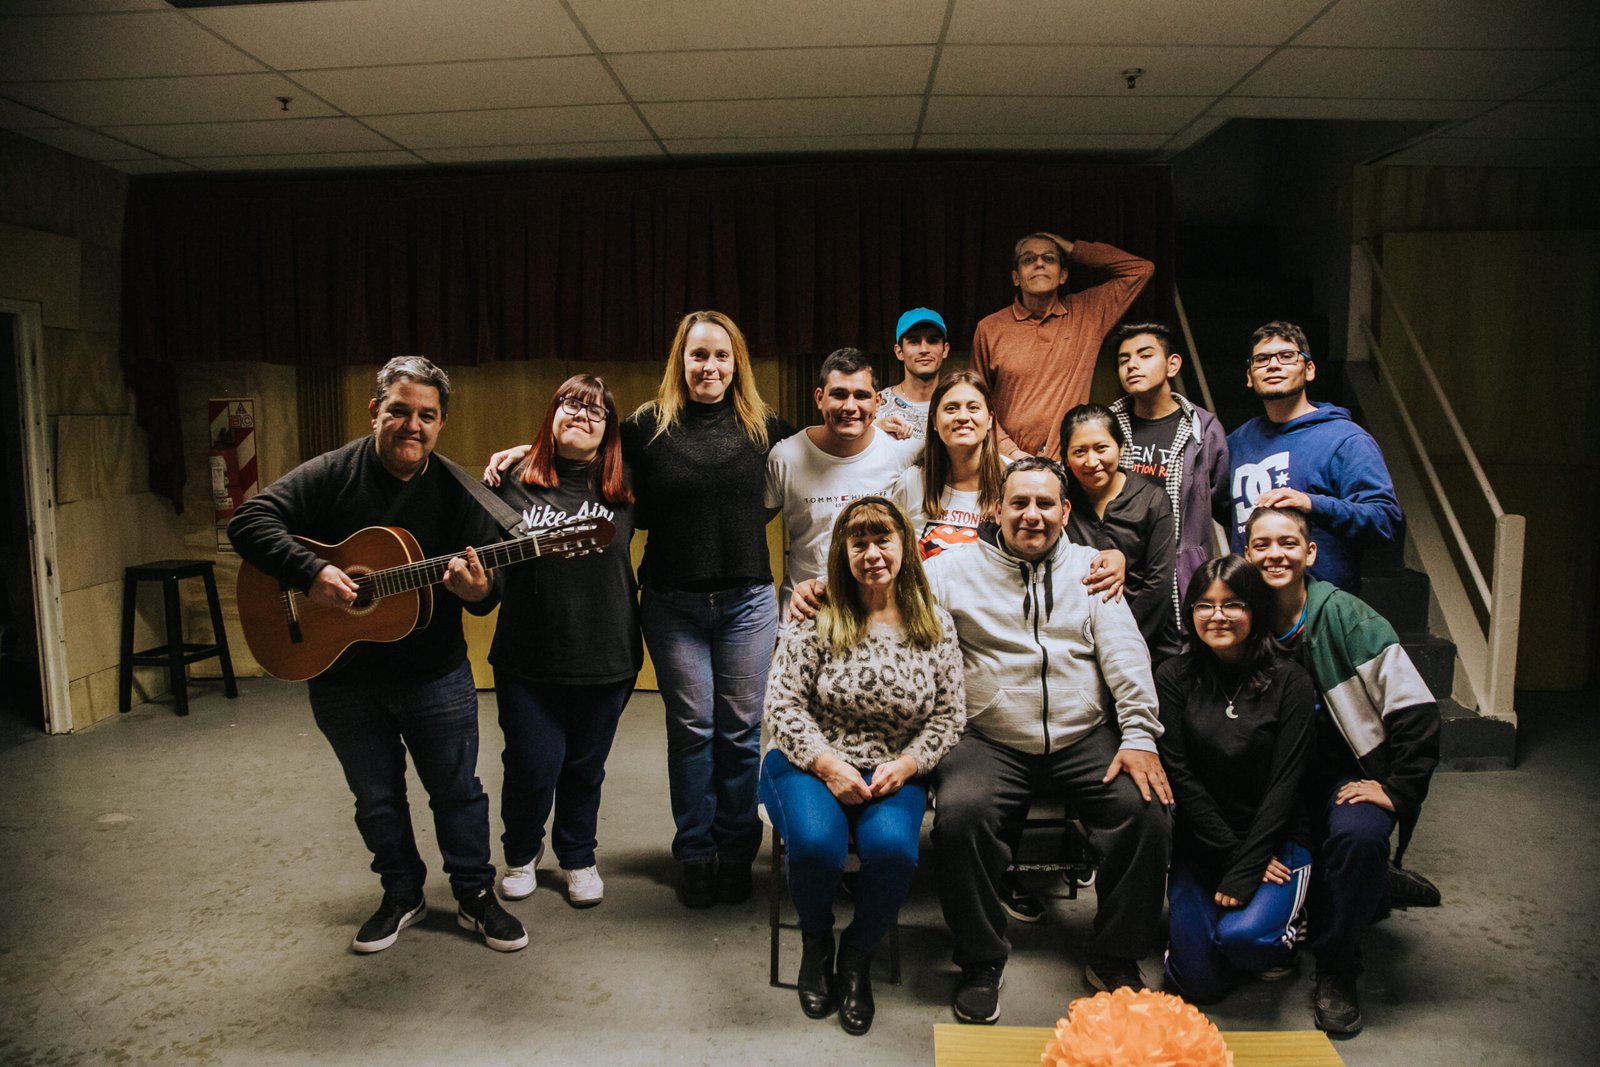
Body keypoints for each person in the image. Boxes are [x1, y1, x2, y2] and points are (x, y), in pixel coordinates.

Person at [484, 313, 795, 910]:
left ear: (738, 364)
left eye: (722, 357)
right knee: (694, 730)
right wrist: (525, 452)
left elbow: (827, 450)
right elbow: (580, 449)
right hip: (672, 603)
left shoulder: (765, 427)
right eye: (698, 355)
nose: (710, 367)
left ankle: (736, 852)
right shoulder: (648, 427)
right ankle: (696, 854)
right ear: (681, 359)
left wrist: (892, 430)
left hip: (747, 604)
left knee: (738, 733)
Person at [228, 356, 527, 954]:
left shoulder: (457, 487)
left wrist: (480, 590)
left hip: (433, 676)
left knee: (457, 792)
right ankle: (401, 893)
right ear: (375, 412)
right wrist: (310, 571)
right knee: (376, 797)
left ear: (440, 423)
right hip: (340, 676)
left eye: (427, 416)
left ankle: (474, 894)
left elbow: (486, 589)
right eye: (399, 411)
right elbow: (250, 519)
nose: (412, 425)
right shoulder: (333, 473)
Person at [925, 458, 1172, 1024]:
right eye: (1019, 503)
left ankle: (1113, 957)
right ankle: (981, 959)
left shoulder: (1094, 569)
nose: (1031, 515)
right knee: (961, 817)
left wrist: (1138, 735)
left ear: (1065, 511)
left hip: (1082, 735)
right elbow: (918, 648)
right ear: (997, 508)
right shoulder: (949, 572)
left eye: (1044, 505)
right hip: (989, 737)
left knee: (1148, 811)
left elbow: (1126, 655)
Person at [760, 497, 965, 1036]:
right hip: (808, 762)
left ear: (905, 547)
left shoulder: (933, 623)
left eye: (883, 541)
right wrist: (827, 765)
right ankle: (816, 943)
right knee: (815, 845)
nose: (872, 554)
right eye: (859, 544)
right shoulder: (818, 615)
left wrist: (912, 762)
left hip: (892, 769)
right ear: (842, 552)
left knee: (894, 850)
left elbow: (949, 713)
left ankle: (856, 955)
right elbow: (782, 706)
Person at [1242, 506, 1441, 1035]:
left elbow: (1417, 714)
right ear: (1246, 554)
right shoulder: (1241, 619)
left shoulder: (1349, 619)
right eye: (1261, 544)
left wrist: (1396, 790)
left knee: (1356, 839)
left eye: (1287, 543)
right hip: (1274, 784)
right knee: (1260, 926)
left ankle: (1338, 969)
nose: (1274, 554)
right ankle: (1376, 888)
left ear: (1310, 554)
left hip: (1343, 779)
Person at [489, 375, 640, 910]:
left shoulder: (626, 482)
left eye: (597, 410)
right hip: (527, 656)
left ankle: (578, 857)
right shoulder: (508, 480)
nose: (583, 414)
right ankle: (521, 854)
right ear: (551, 413)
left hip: (608, 654)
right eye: (572, 403)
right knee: (532, 763)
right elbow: (490, 577)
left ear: (610, 430)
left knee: (584, 767)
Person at [1157, 556, 1317, 1004]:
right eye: (1204, 605)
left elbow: (1286, 783)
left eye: (1233, 604)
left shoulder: (1291, 680)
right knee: (1195, 986)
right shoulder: (1174, 676)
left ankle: (1288, 930)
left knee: (1245, 938)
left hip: (1276, 844)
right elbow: (1179, 774)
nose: (1218, 616)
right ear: (1190, 613)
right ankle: (1217, 945)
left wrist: (1249, 863)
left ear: (1256, 611)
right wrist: (1230, 855)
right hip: (1203, 843)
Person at [1227, 321, 1402, 592]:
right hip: (1252, 608)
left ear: (1309, 370)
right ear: (1249, 376)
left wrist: (1311, 503)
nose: (1273, 365)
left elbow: (1385, 521)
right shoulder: (1236, 443)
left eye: (1287, 356)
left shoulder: (1345, 440)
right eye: (1262, 359)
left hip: (1321, 612)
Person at [971, 232, 1155, 460]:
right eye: (1028, 259)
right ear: (1016, 278)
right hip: (1006, 460)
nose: (1039, 263)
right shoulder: (989, 328)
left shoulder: (1089, 312)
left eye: (1049, 258)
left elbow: (1141, 269)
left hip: (1069, 462)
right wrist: (1011, 453)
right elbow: (975, 401)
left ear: (1063, 275)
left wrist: (1072, 249)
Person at [765, 347, 922, 604]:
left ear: (878, 402)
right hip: (806, 611)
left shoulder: (903, 451)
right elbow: (753, 524)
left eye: (861, 396)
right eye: (838, 395)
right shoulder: (787, 456)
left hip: (876, 610)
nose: (850, 406)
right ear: (819, 398)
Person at [1106, 322, 1230, 618]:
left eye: (1145, 355)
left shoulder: (1203, 429)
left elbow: (1223, 503)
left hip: (1182, 573)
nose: (1132, 365)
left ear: (1172, 365)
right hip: (1120, 569)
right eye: (1124, 360)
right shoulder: (1105, 427)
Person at [1061, 403, 1180, 664]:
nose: (1092, 462)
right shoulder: (1060, 503)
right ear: (1066, 457)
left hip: (1151, 645)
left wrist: (1122, 641)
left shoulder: (1152, 500)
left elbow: (1158, 584)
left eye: (1101, 448)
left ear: (1121, 447)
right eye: (1079, 452)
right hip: (1081, 648)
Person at [876, 307, 952, 441]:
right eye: (914, 342)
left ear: (945, 350)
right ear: (899, 352)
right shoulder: (878, 405)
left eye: (932, 340)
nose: (924, 349)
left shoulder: (958, 403)